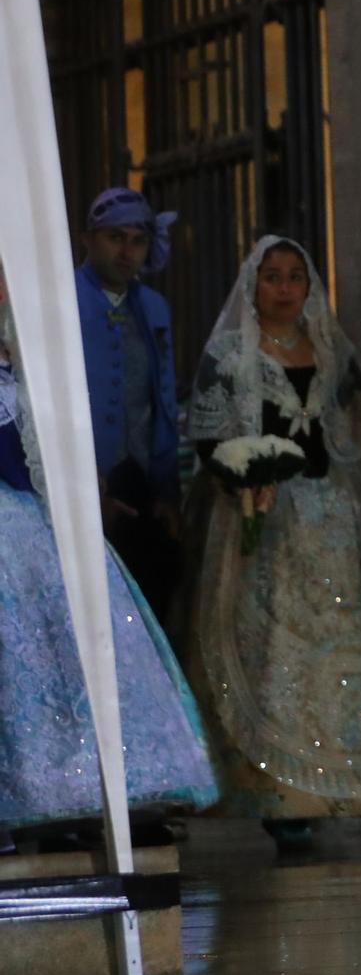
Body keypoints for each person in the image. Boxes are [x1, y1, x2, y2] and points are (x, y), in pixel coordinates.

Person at [184, 237, 361, 850]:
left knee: (348, 640)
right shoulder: (229, 354)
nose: (284, 288)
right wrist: (242, 474)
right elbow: (208, 433)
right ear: (254, 285)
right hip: (265, 521)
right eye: (272, 277)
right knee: (275, 646)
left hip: (335, 518)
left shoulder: (329, 349)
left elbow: (356, 419)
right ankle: (279, 793)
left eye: (295, 277)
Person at [0, 269, 216, 847]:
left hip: (34, 521)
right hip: (10, 530)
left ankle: (73, 796)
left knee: (67, 648)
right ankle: (28, 796)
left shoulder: (22, 356)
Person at [73, 187, 182, 618]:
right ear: (87, 239)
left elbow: (164, 399)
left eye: (137, 241)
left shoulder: (153, 307)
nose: (126, 252)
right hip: (81, 485)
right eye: (114, 238)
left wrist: (167, 488)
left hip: (140, 487)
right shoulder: (62, 299)